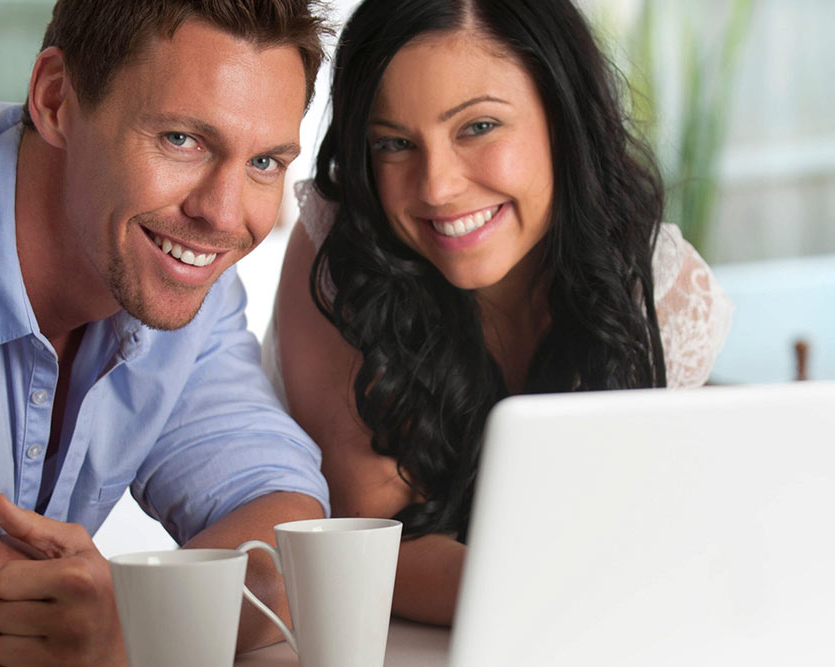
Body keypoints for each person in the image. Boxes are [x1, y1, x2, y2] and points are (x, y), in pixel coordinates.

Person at [0, 1, 334, 664]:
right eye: (182, 139)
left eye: (265, 162)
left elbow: (294, 541)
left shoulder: (175, 272)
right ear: (55, 98)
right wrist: (171, 621)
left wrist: (131, 626)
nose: (222, 214)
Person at [266, 0, 733, 627]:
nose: (436, 186)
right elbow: (375, 551)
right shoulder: (340, 248)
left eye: (477, 127)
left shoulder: (664, 291)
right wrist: (588, 592)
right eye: (395, 144)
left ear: (561, 115)